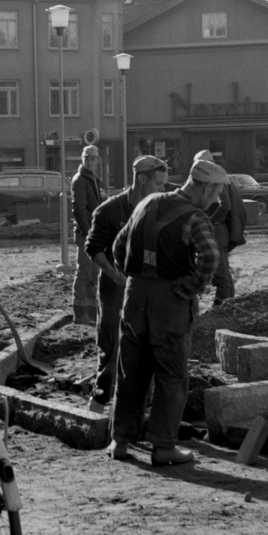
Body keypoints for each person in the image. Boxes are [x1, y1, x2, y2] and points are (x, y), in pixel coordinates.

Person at [109, 157, 224, 467]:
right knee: (171, 375)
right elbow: (211, 256)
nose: (217, 200)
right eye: (216, 193)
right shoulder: (196, 217)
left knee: (130, 372)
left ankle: (120, 441)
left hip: (135, 297)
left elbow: (119, 247)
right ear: (207, 187)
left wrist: (135, 277)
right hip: (170, 301)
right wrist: (193, 285)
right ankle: (162, 447)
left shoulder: (148, 202)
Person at [83, 155, 170, 414]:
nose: (162, 190)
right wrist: (113, 274)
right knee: (111, 350)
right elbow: (94, 248)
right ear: (142, 179)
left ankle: (140, 413)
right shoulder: (109, 210)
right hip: (115, 290)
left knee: (146, 351)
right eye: (158, 184)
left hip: (146, 292)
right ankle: (98, 404)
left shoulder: (159, 208)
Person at [193, 150, 246, 305]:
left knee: (220, 276)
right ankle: (229, 306)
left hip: (216, 231)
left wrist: (207, 221)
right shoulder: (218, 177)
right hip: (220, 231)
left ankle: (221, 310)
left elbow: (226, 206)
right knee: (224, 274)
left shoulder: (215, 179)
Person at [70, 144, 103, 327]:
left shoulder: (91, 179)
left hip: (91, 233)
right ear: (82, 159)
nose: (89, 161)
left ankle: (90, 313)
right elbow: (79, 210)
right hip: (86, 234)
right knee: (84, 273)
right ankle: (80, 314)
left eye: (92, 158)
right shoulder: (80, 180)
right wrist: (88, 233)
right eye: (86, 158)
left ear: (97, 160)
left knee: (92, 274)